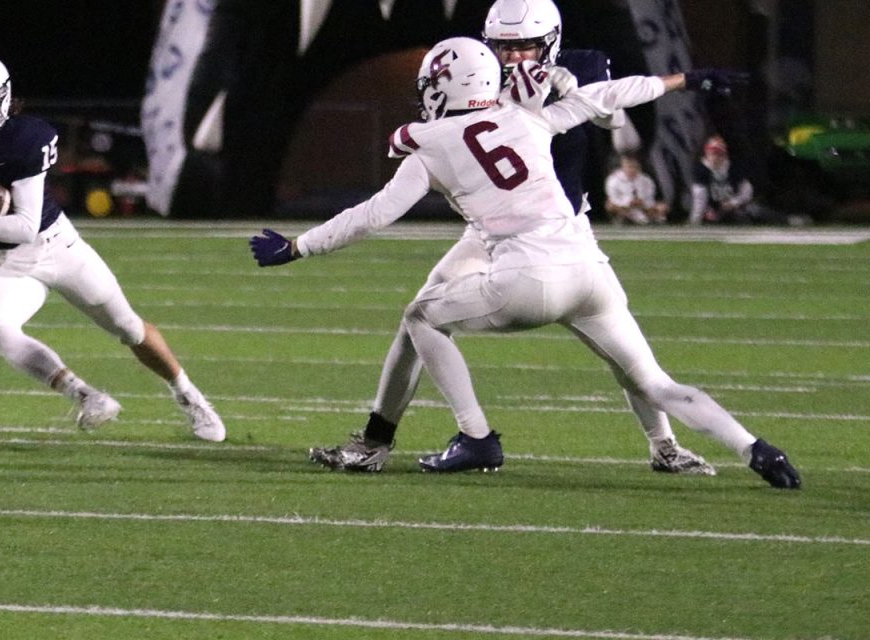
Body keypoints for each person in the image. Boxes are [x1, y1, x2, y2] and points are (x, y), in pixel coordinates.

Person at [250, 37, 800, 489]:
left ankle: (477, 437)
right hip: (589, 270)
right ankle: (757, 450)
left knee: (422, 316)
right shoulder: (524, 115)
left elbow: (374, 215)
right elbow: (605, 97)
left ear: (444, 87)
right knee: (654, 382)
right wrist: (686, 80)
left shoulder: (432, 144)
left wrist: (299, 246)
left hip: (526, 275)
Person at [304, 0, 713, 478]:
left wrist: (567, 88)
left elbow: (613, 118)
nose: (515, 57)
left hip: (564, 231)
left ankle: (664, 445)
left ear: (552, 42)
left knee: (618, 339)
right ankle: (375, 441)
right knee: (418, 317)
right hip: (492, 232)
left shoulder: (580, 66)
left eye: (526, 47)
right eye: (504, 47)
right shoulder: (482, 83)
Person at [0, 50, 225, 442]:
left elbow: (25, 225)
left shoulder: (26, 139)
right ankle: (87, 396)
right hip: (6, 261)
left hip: (56, 246)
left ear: (2, 100)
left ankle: (190, 397)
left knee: (128, 327)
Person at [688, 135, 784, 225]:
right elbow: (700, 196)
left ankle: (783, 220)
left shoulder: (733, 169)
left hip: (732, 207)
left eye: (718, 154)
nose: (714, 157)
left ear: (724, 155)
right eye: (712, 153)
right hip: (711, 208)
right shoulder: (701, 170)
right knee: (687, 201)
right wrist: (696, 219)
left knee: (753, 210)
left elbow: (747, 191)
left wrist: (733, 202)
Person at [605, 153, 669, 225]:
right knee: (609, 205)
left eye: (634, 167)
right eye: (629, 167)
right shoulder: (613, 180)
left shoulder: (646, 180)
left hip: (642, 207)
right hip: (624, 207)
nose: (632, 170)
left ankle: (642, 218)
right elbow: (613, 198)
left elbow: (649, 197)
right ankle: (627, 217)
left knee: (662, 207)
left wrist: (641, 202)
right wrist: (628, 202)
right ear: (623, 167)